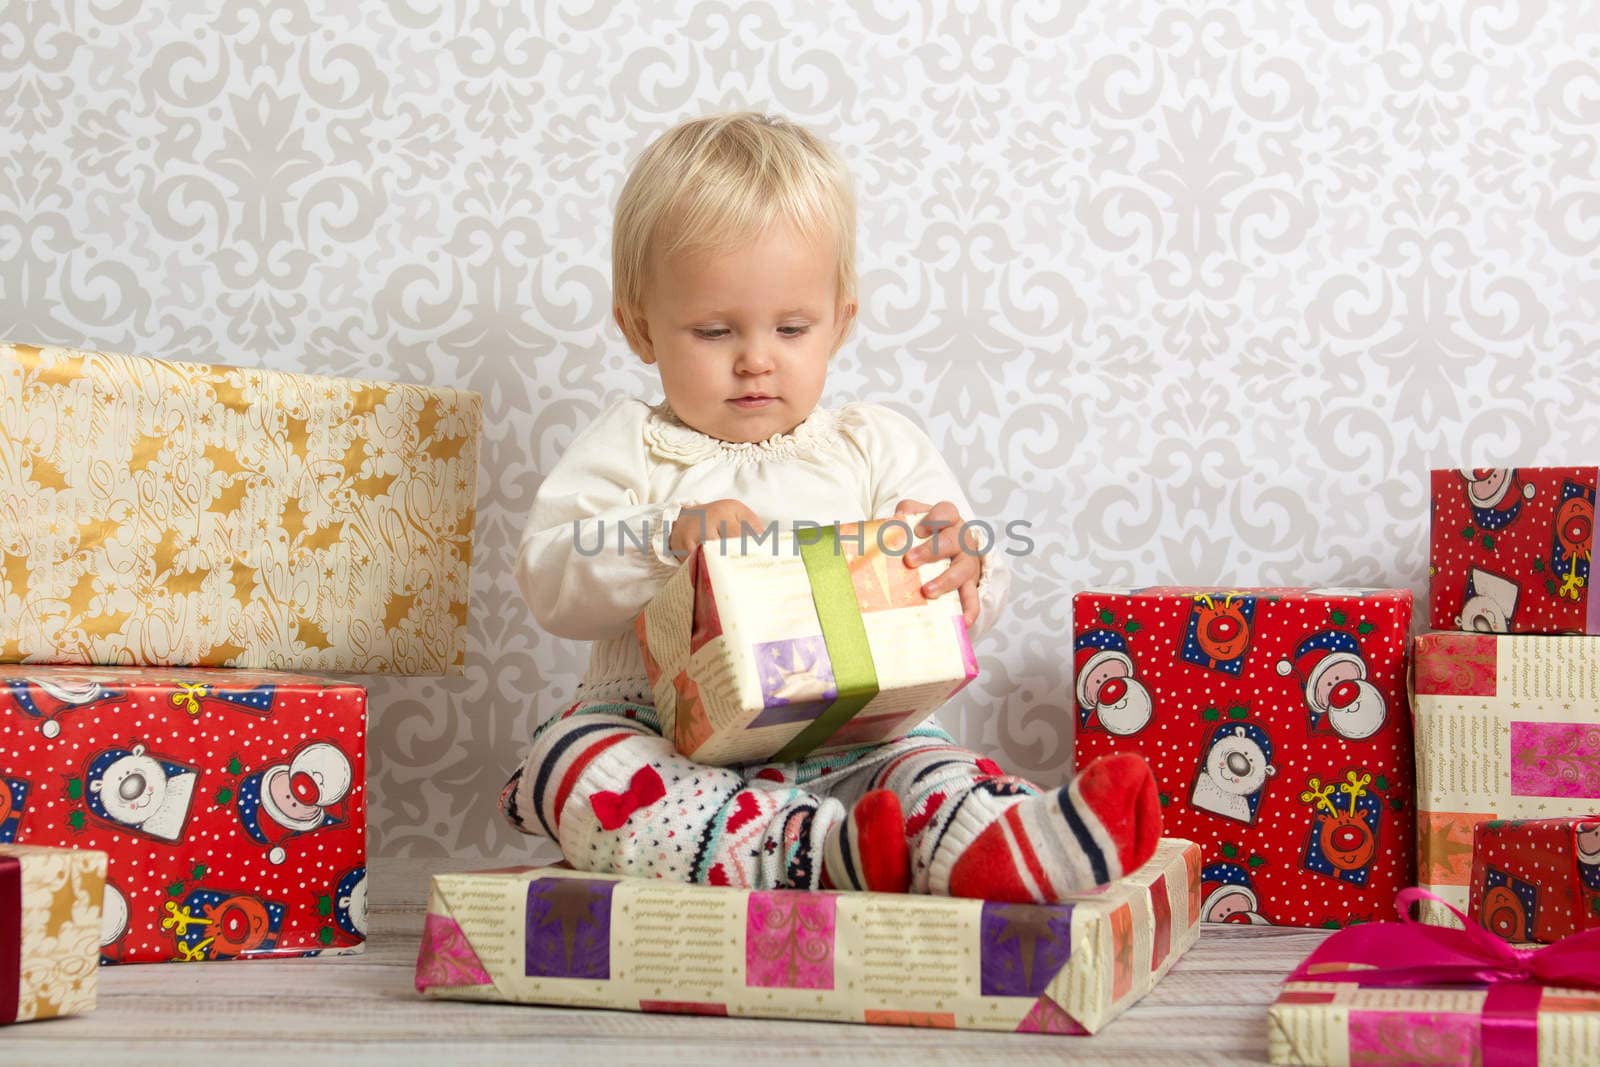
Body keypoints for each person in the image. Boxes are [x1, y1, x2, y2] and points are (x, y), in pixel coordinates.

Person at [500, 112, 1160, 902]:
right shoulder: (633, 447)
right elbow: (550, 576)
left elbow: (966, 590)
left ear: (840, 323)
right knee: (570, 764)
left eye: (791, 326)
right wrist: (663, 537)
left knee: (927, 767)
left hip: (856, 739)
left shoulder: (873, 445)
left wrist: (961, 560)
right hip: (665, 738)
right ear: (640, 327)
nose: (755, 357)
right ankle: (809, 854)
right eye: (713, 330)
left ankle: (997, 839)